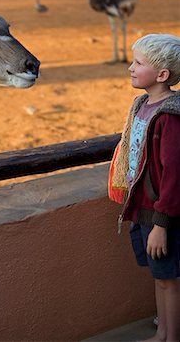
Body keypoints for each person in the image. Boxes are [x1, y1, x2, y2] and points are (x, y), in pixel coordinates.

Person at [108, 33, 180, 342]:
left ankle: (172, 336)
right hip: (143, 210)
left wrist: (161, 224)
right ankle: (162, 332)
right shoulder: (141, 105)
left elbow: (174, 175)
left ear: (162, 75)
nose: (130, 68)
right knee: (159, 276)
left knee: (168, 279)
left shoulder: (170, 118)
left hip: (160, 214)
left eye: (139, 63)